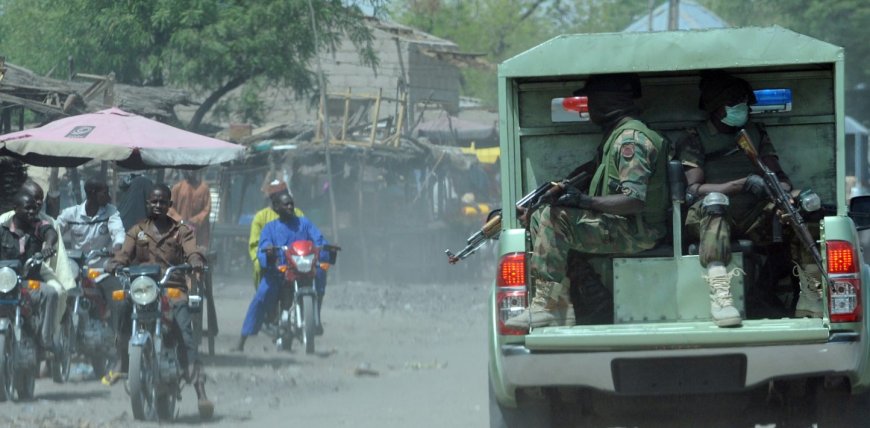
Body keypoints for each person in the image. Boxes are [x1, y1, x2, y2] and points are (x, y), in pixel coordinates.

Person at [505, 73, 670, 329]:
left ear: (606, 102)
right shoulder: (614, 137)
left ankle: (545, 305)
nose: (588, 108)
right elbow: (594, 171)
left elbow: (634, 201)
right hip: (623, 226)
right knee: (543, 215)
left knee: (555, 219)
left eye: (590, 101)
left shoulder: (631, 140)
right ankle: (583, 299)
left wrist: (585, 202)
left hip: (638, 231)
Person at [676, 70, 822, 327]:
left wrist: (778, 188)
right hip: (712, 217)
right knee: (715, 203)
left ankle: (810, 295)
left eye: (744, 101)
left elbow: (778, 173)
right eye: (734, 103)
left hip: (755, 216)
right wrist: (738, 185)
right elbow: (693, 190)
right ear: (717, 108)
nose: (742, 108)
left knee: (801, 205)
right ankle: (721, 296)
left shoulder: (754, 133)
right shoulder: (696, 138)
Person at [106, 184, 213, 416]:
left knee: (185, 332)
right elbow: (124, 253)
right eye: (154, 201)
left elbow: (192, 250)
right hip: (144, 287)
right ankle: (122, 359)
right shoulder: (137, 231)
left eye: (162, 202)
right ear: (148, 204)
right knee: (123, 305)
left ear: (169, 205)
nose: (158, 205)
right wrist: (116, 263)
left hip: (171, 287)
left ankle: (200, 391)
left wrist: (195, 260)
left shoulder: (180, 231)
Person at [232, 192, 330, 351]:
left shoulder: (304, 224)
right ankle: (243, 339)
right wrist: (268, 254)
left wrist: (324, 249)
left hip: (303, 269)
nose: (290, 206)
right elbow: (263, 248)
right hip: (280, 271)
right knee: (262, 294)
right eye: (286, 204)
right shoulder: (269, 228)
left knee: (320, 272)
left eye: (291, 203)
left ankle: (315, 318)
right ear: (276, 207)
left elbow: (319, 239)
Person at [0, 180, 74, 353]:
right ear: (16, 208)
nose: (33, 210)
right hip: (5, 280)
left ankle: (45, 339)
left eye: (35, 206)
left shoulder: (39, 225)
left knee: (51, 292)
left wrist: (48, 245)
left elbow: (50, 233)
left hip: (27, 279)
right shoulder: (2, 226)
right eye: (29, 207)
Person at [248, 179, 305, 292]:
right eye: (278, 196)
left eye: (285, 194)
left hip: (296, 258)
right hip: (272, 259)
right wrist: (263, 257)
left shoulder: (298, 214)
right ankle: (262, 298)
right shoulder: (261, 217)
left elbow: (308, 236)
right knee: (258, 267)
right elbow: (255, 245)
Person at [170, 170, 211, 248]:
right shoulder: (177, 187)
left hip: (198, 233)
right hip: (179, 231)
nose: (191, 171)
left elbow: (207, 209)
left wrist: (193, 221)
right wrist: (181, 220)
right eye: (189, 169)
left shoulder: (204, 188)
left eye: (193, 169)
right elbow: (170, 208)